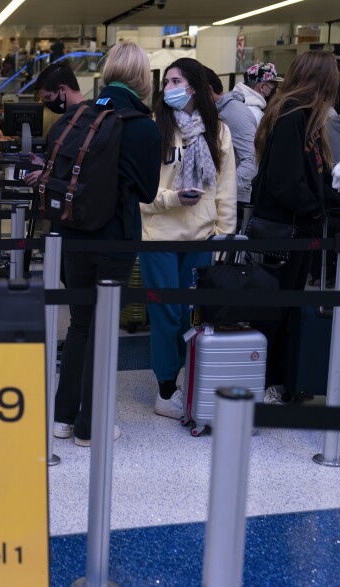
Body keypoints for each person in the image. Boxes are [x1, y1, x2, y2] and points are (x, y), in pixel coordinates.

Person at [30, 41, 161, 446]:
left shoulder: (75, 117)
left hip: (72, 235)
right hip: (114, 239)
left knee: (81, 325)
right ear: (142, 78)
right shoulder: (142, 126)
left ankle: (63, 418)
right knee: (105, 330)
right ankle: (92, 427)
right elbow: (147, 191)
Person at [141, 57, 237, 418]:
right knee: (166, 314)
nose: (169, 87)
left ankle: (189, 379)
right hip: (159, 237)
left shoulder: (218, 132)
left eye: (176, 81)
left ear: (194, 87)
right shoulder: (154, 129)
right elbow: (139, 193)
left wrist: (224, 234)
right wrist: (172, 199)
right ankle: (166, 390)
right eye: (166, 82)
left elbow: (225, 188)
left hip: (201, 239)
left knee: (192, 317)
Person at [248, 51, 339, 404]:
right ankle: (267, 383)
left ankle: (281, 381)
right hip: (285, 233)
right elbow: (285, 183)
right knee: (274, 311)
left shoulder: (301, 116)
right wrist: (318, 208)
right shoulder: (293, 117)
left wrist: (327, 199)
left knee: (282, 309)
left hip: (294, 230)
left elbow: (306, 178)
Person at [204, 67, 259, 230]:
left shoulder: (234, 112)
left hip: (234, 201)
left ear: (208, 89)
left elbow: (251, 161)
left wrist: (223, 189)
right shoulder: (215, 111)